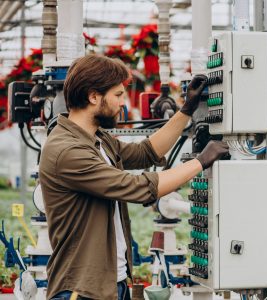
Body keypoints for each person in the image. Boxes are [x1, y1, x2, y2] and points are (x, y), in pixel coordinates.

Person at [39, 54, 229, 299]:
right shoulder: (67, 151)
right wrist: (200, 162)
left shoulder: (96, 138)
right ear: (93, 96)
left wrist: (186, 110)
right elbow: (136, 187)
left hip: (112, 283)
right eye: (117, 95)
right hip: (81, 290)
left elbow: (145, 152)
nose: (123, 102)